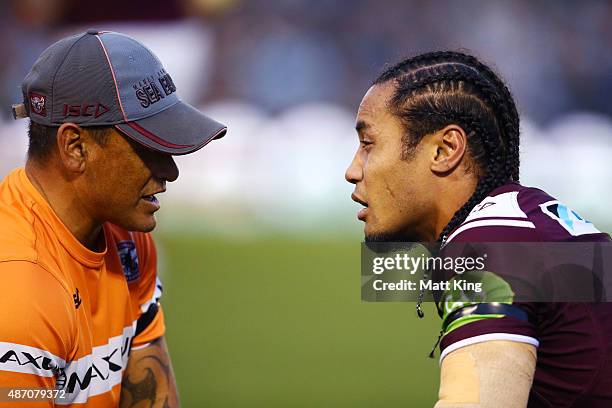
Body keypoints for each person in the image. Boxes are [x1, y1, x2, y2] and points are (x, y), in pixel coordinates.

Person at [345, 51, 612, 407]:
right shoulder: (527, 222)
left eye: (368, 144)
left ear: (445, 149)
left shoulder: (488, 248)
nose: (353, 170)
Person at [0, 30, 226, 407]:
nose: (170, 171)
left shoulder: (127, 240)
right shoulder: (18, 292)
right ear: (75, 148)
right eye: (148, 147)